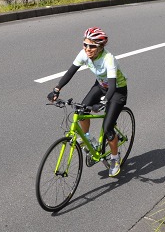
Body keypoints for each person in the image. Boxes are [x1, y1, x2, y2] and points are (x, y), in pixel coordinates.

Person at [48, 27, 127, 177]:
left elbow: (112, 86)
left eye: (92, 46)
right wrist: (57, 89)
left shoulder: (108, 59)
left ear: (100, 47)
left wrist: (103, 102)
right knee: (81, 110)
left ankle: (115, 158)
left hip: (116, 90)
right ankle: (89, 139)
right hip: (100, 86)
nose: (87, 49)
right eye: (85, 44)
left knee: (108, 127)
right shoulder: (83, 53)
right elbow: (71, 71)